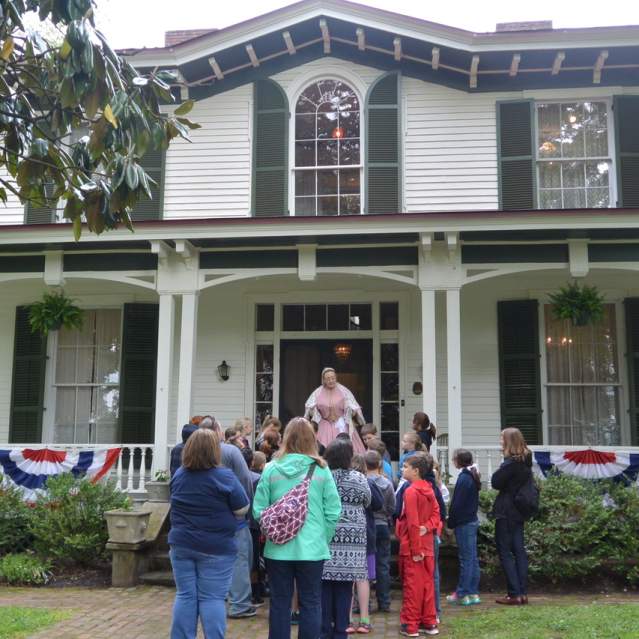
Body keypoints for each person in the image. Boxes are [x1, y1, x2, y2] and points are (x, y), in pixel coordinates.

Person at [253, 417, 341, 639]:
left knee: (280, 602)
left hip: (277, 548)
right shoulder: (321, 470)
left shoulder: (271, 469)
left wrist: (271, 532)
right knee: (311, 602)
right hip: (312, 547)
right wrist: (323, 537)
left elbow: (258, 509)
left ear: (286, 438)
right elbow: (333, 511)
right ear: (312, 439)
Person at [169, 428, 249, 639]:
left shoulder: (179, 475)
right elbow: (242, 508)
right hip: (217, 547)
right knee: (212, 598)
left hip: (182, 545)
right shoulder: (224, 476)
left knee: (186, 596)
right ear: (215, 451)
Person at [199, 415, 257, 619]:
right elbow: (245, 481)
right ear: (217, 431)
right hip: (234, 516)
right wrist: (247, 511)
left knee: (211, 560)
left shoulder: (193, 453)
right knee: (240, 559)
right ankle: (240, 604)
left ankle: (215, 599)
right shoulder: (231, 451)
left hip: (205, 517)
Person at [321, 438, 371, 639]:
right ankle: (342, 630)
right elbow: (368, 501)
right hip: (353, 540)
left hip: (327, 536)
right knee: (345, 587)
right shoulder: (359, 478)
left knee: (323, 585)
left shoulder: (323, 476)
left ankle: (324, 630)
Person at [396, 454, 440, 637]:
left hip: (414, 547)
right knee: (427, 586)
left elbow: (413, 523)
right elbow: (437, 515)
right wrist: (428, 528)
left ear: (416, 471)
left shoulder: (411, 491)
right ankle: (429, 623)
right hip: (427, 545)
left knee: (412, 588)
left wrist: (415, 549)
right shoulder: (429, 488)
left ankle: (411, 625)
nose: (402, 469)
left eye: (405, 467)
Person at [491, 427, 533, 606]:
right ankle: (522, 592)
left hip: (506, 511)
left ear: (509, 442)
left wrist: (502, 467)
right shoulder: (525, 461)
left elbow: (495, 482)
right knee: (519, 550)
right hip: (519, 511)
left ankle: (514, 593)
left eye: (502, 439)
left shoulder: (510, 464)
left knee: (506, 552)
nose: (500, 442)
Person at [348, 454, 383, 634]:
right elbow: (379, 504)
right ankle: (364, 618)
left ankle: (345, 619)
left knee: (347, 579)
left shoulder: (340, 481)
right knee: (363, 578)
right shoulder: (367, 482)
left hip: (345, 536)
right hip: (366, 534)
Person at [446, 449, 481, 607]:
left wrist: (451, 522)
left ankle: (462, 592)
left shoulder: (463, 478)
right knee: (472, 558)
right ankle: (473, 592)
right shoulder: (472, 476)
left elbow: (456, 505)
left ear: (458, 461)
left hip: (464, 523)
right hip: (472, 520)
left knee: (466, 559)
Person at [304, 367, 366, 454]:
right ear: (323, 380)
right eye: (328, 379)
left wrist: (351, 411)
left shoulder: (344, 391)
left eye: (333, 378)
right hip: (324, 426)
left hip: (342, 425)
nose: (331, 380)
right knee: (323, 451)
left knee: (346, 450)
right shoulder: (317, 393)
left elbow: (354, 406)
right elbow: (308, 408)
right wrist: (312, 410)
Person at [365, 450, 396, 614]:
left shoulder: (362, 482)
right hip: (382, 524)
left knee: (365, 565)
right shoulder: (387, 483)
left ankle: (364, 603)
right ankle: (384, 602)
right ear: (379, 464)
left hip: (367, 526)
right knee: (383, 565)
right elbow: (392, 506)